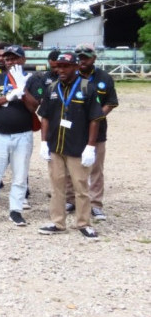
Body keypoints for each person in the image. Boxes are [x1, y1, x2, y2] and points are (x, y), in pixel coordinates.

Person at [37, 52, 104, 239]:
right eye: (58, 66)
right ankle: (58, 222)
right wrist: (43, 142)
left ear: (75, 67)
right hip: (55, 147)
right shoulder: (52, 88)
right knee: (56, 186)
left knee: (80, 186)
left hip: (77, 148)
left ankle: (83, 223)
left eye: (65, 66)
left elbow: (95, 119)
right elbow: (45, 117)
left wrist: (91, 146)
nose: (60, 70)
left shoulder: (87, 88)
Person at [0, 45, 42, 228]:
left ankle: (15, 210)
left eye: (15, 58)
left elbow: (34, 106)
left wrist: (22, 89)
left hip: (23, 135)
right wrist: (9, 97)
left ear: (23, 60)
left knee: (20, 175)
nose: (11, 62)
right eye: (8, 58)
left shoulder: (32, 80)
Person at [64, 44, 118, 220]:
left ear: (94, 58)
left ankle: (95, 204)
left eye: (86, 57)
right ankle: (71, 199)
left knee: (96, 168)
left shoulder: (104, 78)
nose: (82, 60)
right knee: (69, 166)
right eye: (79, 57)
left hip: (97, 131)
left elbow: (110, 102)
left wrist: (94, 117)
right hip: (72, 129)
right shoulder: (71, 77)